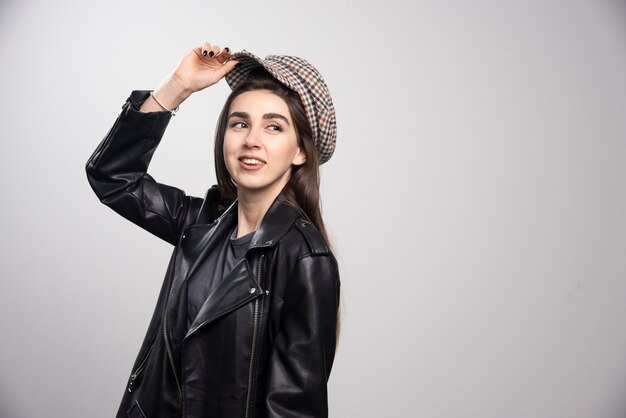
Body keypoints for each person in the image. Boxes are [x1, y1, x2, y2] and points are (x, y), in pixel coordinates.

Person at [85, 42, 340, 418]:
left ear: (300, 151)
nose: (251, 140)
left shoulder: (305, 259)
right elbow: (113, 178)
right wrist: (177, 85)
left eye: (273, 126)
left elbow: (293, 409)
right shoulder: (202, 224)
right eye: (240, 123)